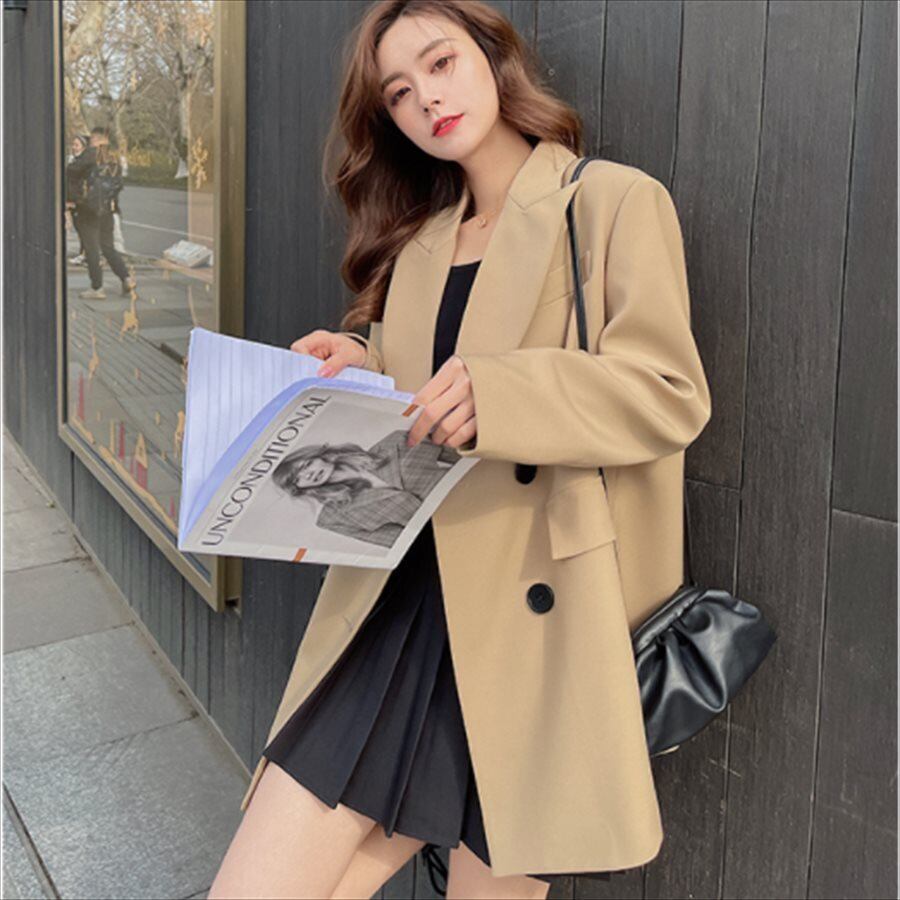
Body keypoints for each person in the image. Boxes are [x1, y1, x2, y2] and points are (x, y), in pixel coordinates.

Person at [209, 2, 712, 899]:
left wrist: (502, 394)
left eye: (440, 64)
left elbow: (669, 391)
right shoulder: (423, 242)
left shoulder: (608, 201)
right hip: (403, 601)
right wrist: (358, 362)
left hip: (534, 617)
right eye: (400, 92)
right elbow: (421, 393)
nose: (427, 100)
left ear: (492, 55)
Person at [66, 125, 136, 299]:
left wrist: (70, 203)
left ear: (95, 139)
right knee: (108, 247)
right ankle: (126, 278)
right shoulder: (113, 158)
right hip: (108, 209)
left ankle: (97, 288)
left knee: (91, 249)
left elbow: (69, 174)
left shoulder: (89, 155)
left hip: (87, 209)